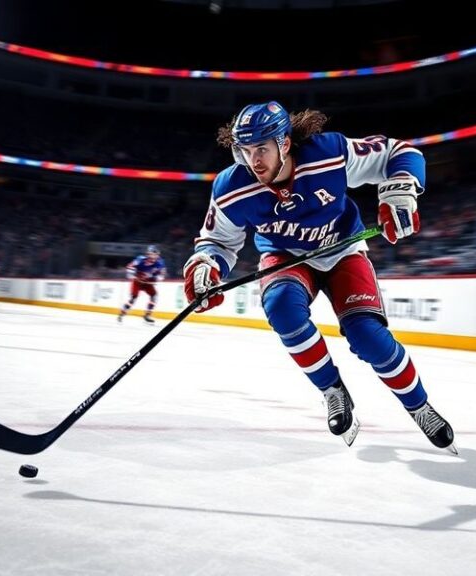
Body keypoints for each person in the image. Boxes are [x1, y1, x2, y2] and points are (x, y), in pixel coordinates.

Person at [182, 101, 455, 452]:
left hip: (343, 249)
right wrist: (206, 266)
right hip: (285, 257)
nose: (254, 161)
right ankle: (332, 390)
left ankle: (420, 407)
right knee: (281, 308)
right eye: (246, 151)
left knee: (368, 337)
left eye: (261, 149)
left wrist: (401, 188)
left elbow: (399, 152)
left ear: (284, 143)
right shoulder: (229, 188)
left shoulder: (329, 153)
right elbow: (217, 241)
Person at [118, 245, 166, 324]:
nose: (154, 256)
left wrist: (158, 277)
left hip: (147, 282)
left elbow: (162, 274)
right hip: (137, 281)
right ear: (148, 254)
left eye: (156, 254)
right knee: (133, 298)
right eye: (153, 254)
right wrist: (133, 274)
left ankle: (147, 315)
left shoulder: (160, 262)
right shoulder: (140, 259)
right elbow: (130, 267)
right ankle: (122, 313)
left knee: (154, 296)